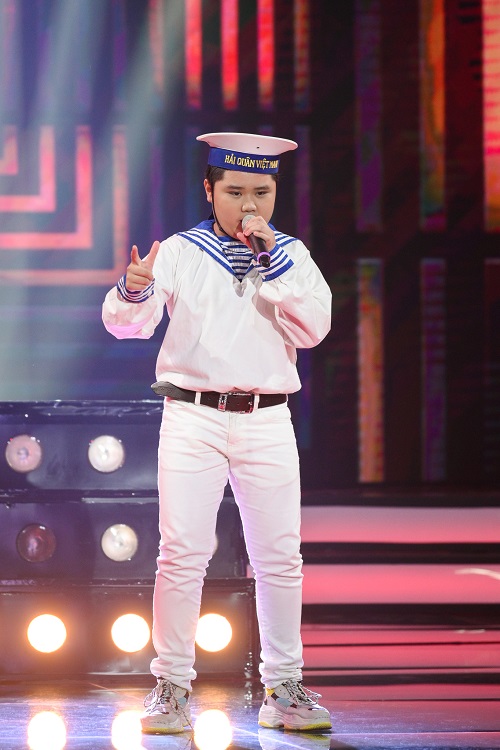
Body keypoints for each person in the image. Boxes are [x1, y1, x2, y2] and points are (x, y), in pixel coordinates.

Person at [102, 132, 332, 734]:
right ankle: (171, 687)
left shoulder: (292, 255)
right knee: (182, 553)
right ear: (210, 190)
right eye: (234, 192)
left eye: (262, 192)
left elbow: (314, 329)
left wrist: (273, 260)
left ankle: (284, 688)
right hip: (193, 416)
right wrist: (135, 287)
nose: (249, 205)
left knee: (279, 556)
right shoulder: (182, 251)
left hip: (267, 416)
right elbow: (128, 324)